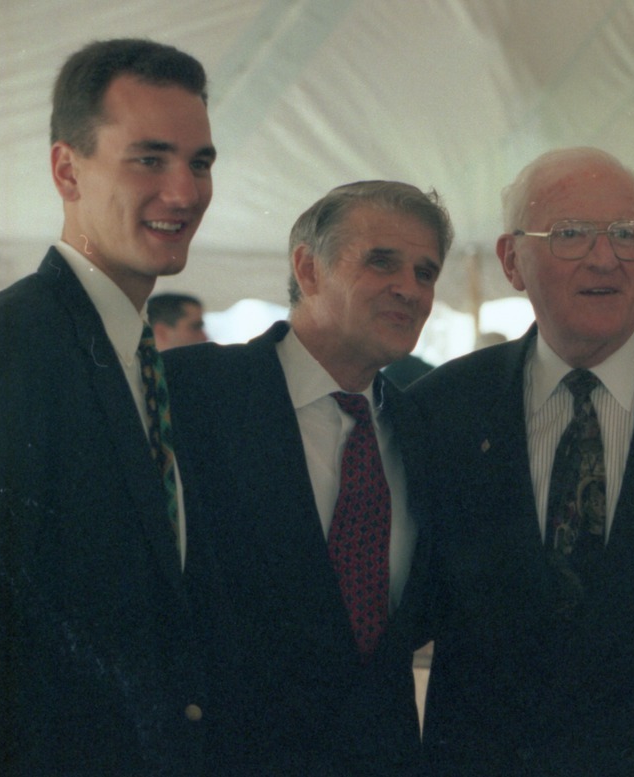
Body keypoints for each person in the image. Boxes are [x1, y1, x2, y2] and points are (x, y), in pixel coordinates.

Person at [405, 147, 634, 774]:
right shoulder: (441, 412)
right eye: (571, 235)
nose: (605, 258)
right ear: (511, 261)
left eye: (628, 235)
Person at [0, 38, 217, 773]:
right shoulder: (8, 349)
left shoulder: (134, 353)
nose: (184, 192)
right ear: (67, 169)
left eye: (200, 161)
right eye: (149, 158)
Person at [164, 181, 453, 774]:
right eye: (382, 261)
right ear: (308, 266)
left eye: (426, 272)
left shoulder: (426, 433)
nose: (411, 289)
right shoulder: (187, 398)